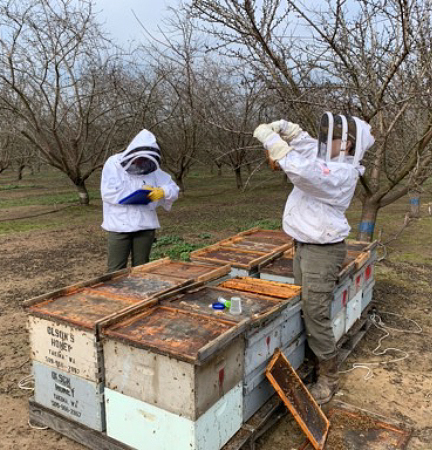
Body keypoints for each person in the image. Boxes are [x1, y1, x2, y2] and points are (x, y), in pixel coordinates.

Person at [253, 113, 375, 404]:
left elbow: (302, 171)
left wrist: (271, 140)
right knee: (301, 304)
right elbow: (305, 144)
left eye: (333, 138)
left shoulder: (341, 174)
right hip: (304, 246)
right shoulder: (327, 160)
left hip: (323, 251)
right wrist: (285, 128)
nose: (326, 142)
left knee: (315, 313)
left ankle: (327, 377)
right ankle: (307, 358)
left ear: (347, 146)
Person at [101, 129, 180, 272]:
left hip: (145, 224)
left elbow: (174, 188)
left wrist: (163, 191)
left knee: (142, 268)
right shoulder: (113, 163)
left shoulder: (152, 169)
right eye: (139, 158)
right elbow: (107, 193)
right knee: (115, 270)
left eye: (145, 159)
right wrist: (138, 194)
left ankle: (140, 294)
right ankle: (117, 294)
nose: (141, 162)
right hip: (119, 225)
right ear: (132, 152)